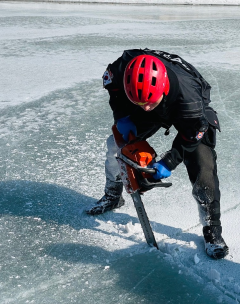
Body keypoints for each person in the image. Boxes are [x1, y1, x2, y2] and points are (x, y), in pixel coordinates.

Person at [85, 48, 228, 259]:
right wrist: (122, 116)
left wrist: (168, 162)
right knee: (117, 145)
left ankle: (212, 229)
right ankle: (113, 195)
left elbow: (192, 134)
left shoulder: (190, 101)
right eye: (140, 104)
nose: (145, 109)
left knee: (203, 166)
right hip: (151, 94)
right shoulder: (119, 70)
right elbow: (115, 92)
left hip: (186, 111)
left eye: (149, 104)